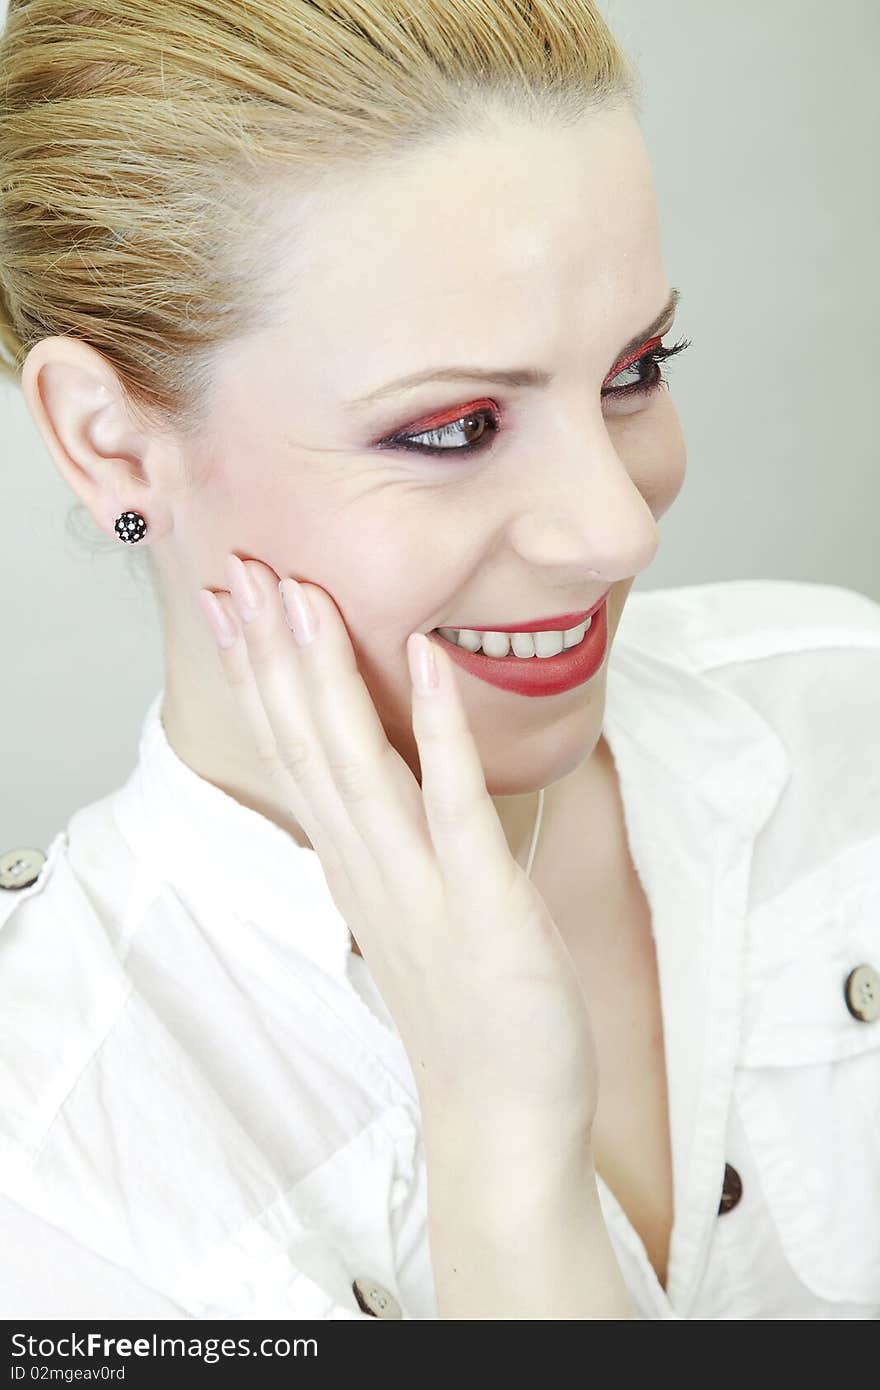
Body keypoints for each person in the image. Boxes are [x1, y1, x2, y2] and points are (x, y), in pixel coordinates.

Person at [1, 0, 878, 1322]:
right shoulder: (53, 1156)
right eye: (458, 426)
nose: (619, 527)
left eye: (638, 367)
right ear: (113, 444)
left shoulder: (847, 717)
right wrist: (504, 1155)